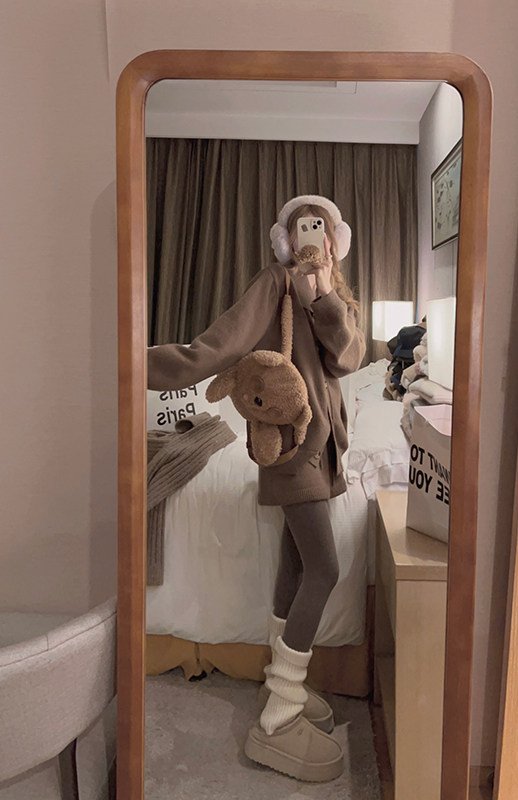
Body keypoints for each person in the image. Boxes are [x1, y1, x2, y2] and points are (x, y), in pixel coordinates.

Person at [147, 194, 366, 782]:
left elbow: (349, 358)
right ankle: (280, 714)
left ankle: (279, 683)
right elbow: (219, 346)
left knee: (297, 565)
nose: (312, 236)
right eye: (302, 227)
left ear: (334, 239)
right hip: (292, 448)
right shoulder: (273, 283)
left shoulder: (327, 295)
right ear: (286, 239)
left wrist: (323, 296)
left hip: (324, 449)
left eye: (321, 227)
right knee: (325, 569)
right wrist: (139, 364)